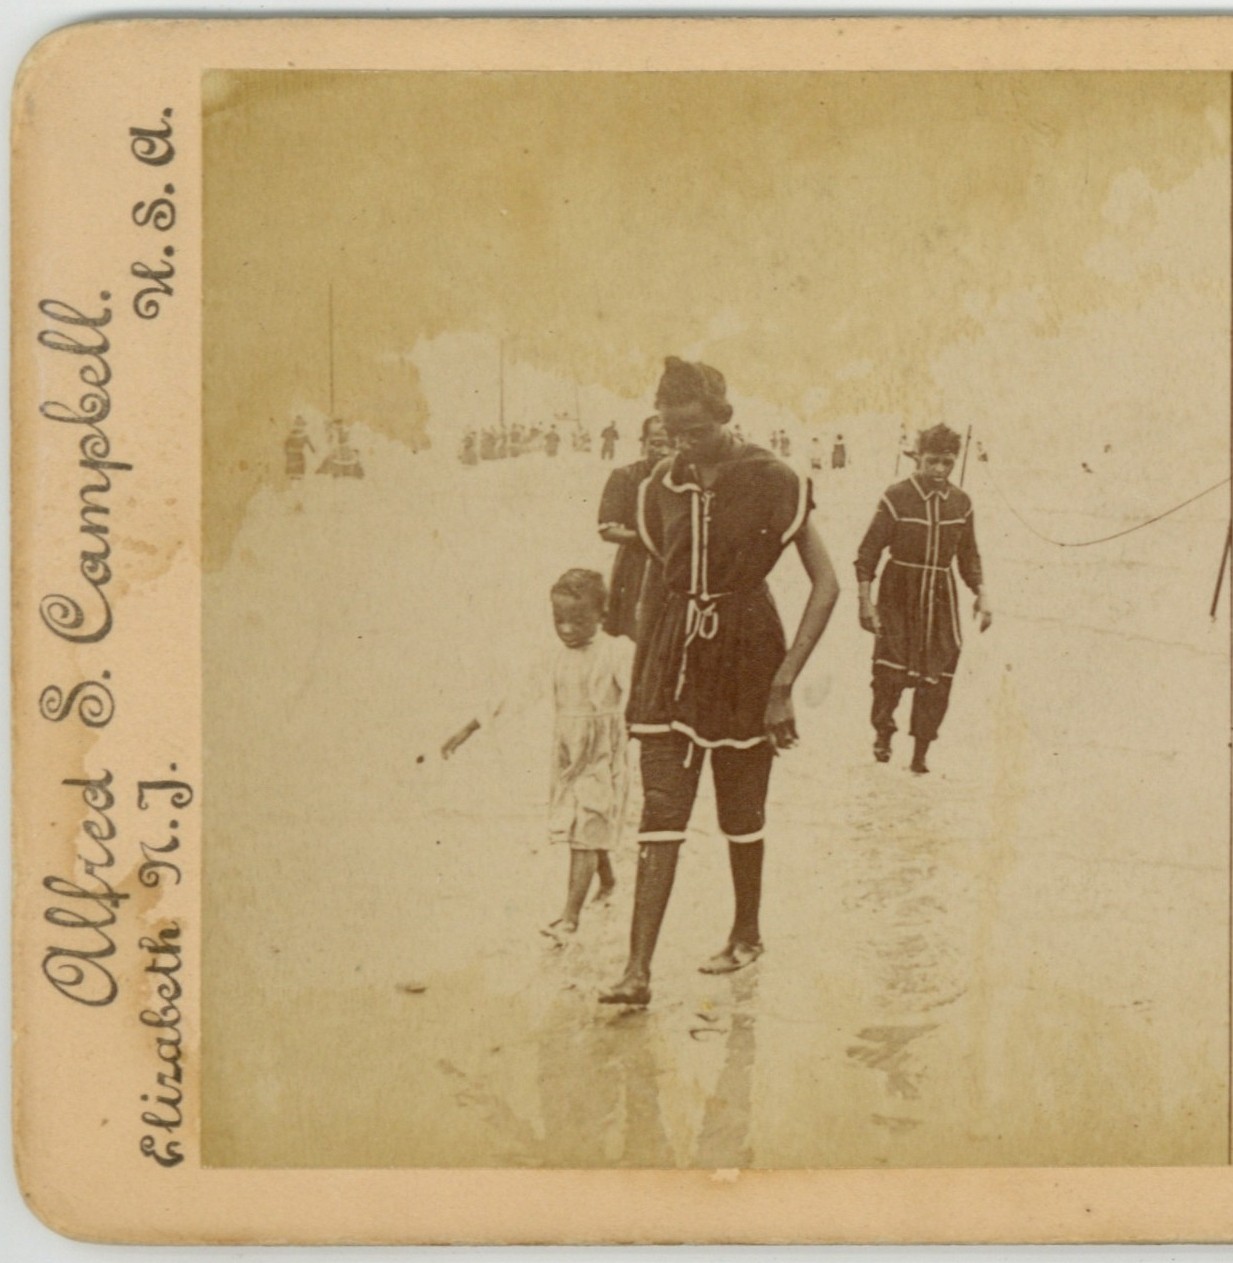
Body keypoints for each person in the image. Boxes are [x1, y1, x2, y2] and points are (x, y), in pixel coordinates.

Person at [600, 357, 840, 1008]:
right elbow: (655, 578)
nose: (682, 445)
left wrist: (784, 682)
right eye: (671, 432)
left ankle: (745, 931)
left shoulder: (773, 479)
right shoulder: (658, 486)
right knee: (661, 811)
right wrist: (640, 669)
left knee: (740, 811)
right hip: (672, 656)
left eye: (695, 431)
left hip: (746, 650)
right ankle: (637, 971)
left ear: (726, 418)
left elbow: (827, 584)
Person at [440, 569, 631, 938]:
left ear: (602, 614)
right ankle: (607, 881)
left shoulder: (616, 651)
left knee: (588, 821)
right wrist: (469, 728)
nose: (567, 629)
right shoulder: (553, 657)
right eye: (559, 620)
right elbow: (516, 696)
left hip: (605, 751)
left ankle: (570, 918)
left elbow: (639, 694)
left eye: (578, 620)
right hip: (568, 750)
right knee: (583, 822)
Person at [854, 423, 992, 774]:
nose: (938, 470)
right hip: (898, 592)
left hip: (940, 597)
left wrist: (981, 594)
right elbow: (868, 552)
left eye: (946, 463)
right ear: (917, 458)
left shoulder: (961, 502)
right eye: (931, 461)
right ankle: (883, 732)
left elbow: (970, 555)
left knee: (939, 674)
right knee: (890, 672)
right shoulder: (896, 496)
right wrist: (864, 601)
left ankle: (920, 754)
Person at [597, 416, 673, 640]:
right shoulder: (626, 476)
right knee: (634, 633)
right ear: (644, 443)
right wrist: (648, 539)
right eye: (656, 443)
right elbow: (606, 529)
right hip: (637, 565)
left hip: (676, 565)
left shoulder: (687, 477)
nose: (664, 451)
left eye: (672, 444)